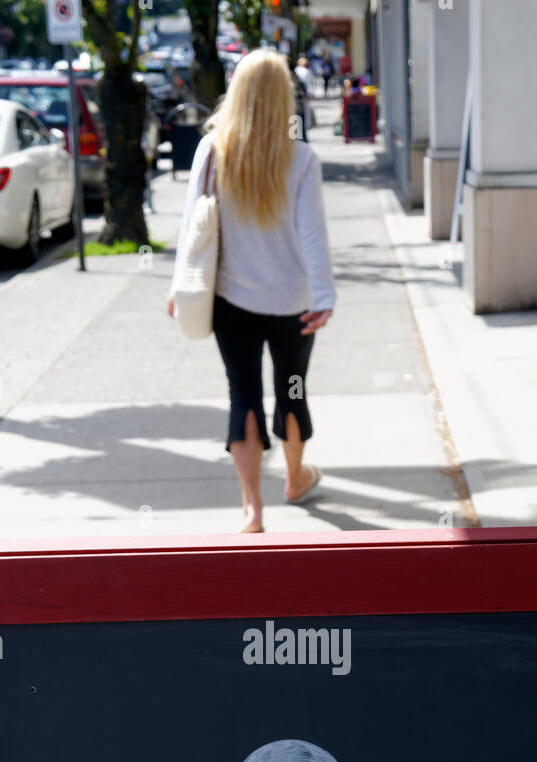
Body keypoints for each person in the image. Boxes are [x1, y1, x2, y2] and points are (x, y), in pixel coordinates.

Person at [168, 49, 335, 534]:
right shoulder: (301, 158)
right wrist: (323, 295)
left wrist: (180, 286)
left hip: (229, 300)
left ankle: (252, 511)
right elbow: (313, 234)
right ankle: (296, 478)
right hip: (293, 303)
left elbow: (191, 226)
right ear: (285, 96)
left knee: (242, 393)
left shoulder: (212, 150)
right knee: (292, 388)